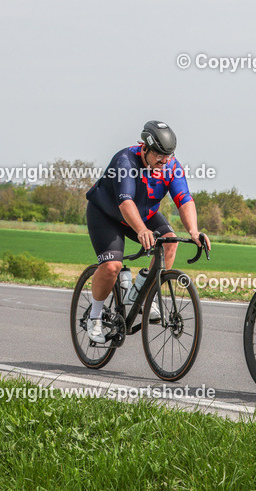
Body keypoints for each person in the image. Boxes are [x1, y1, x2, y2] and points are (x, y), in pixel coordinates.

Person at [84, 120, 211, 344]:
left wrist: (193, 231)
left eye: (168, 155)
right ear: (145, 148)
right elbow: (125, 203)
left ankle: (147, 296)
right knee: (112, 266)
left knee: (170, 241)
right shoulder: (125, 162)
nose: (164, 161)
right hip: (108, 214)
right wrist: (141, 229)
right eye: (159, 156)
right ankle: (94, 317)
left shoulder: (171, 166)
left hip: (144, 213)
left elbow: (184, 199)